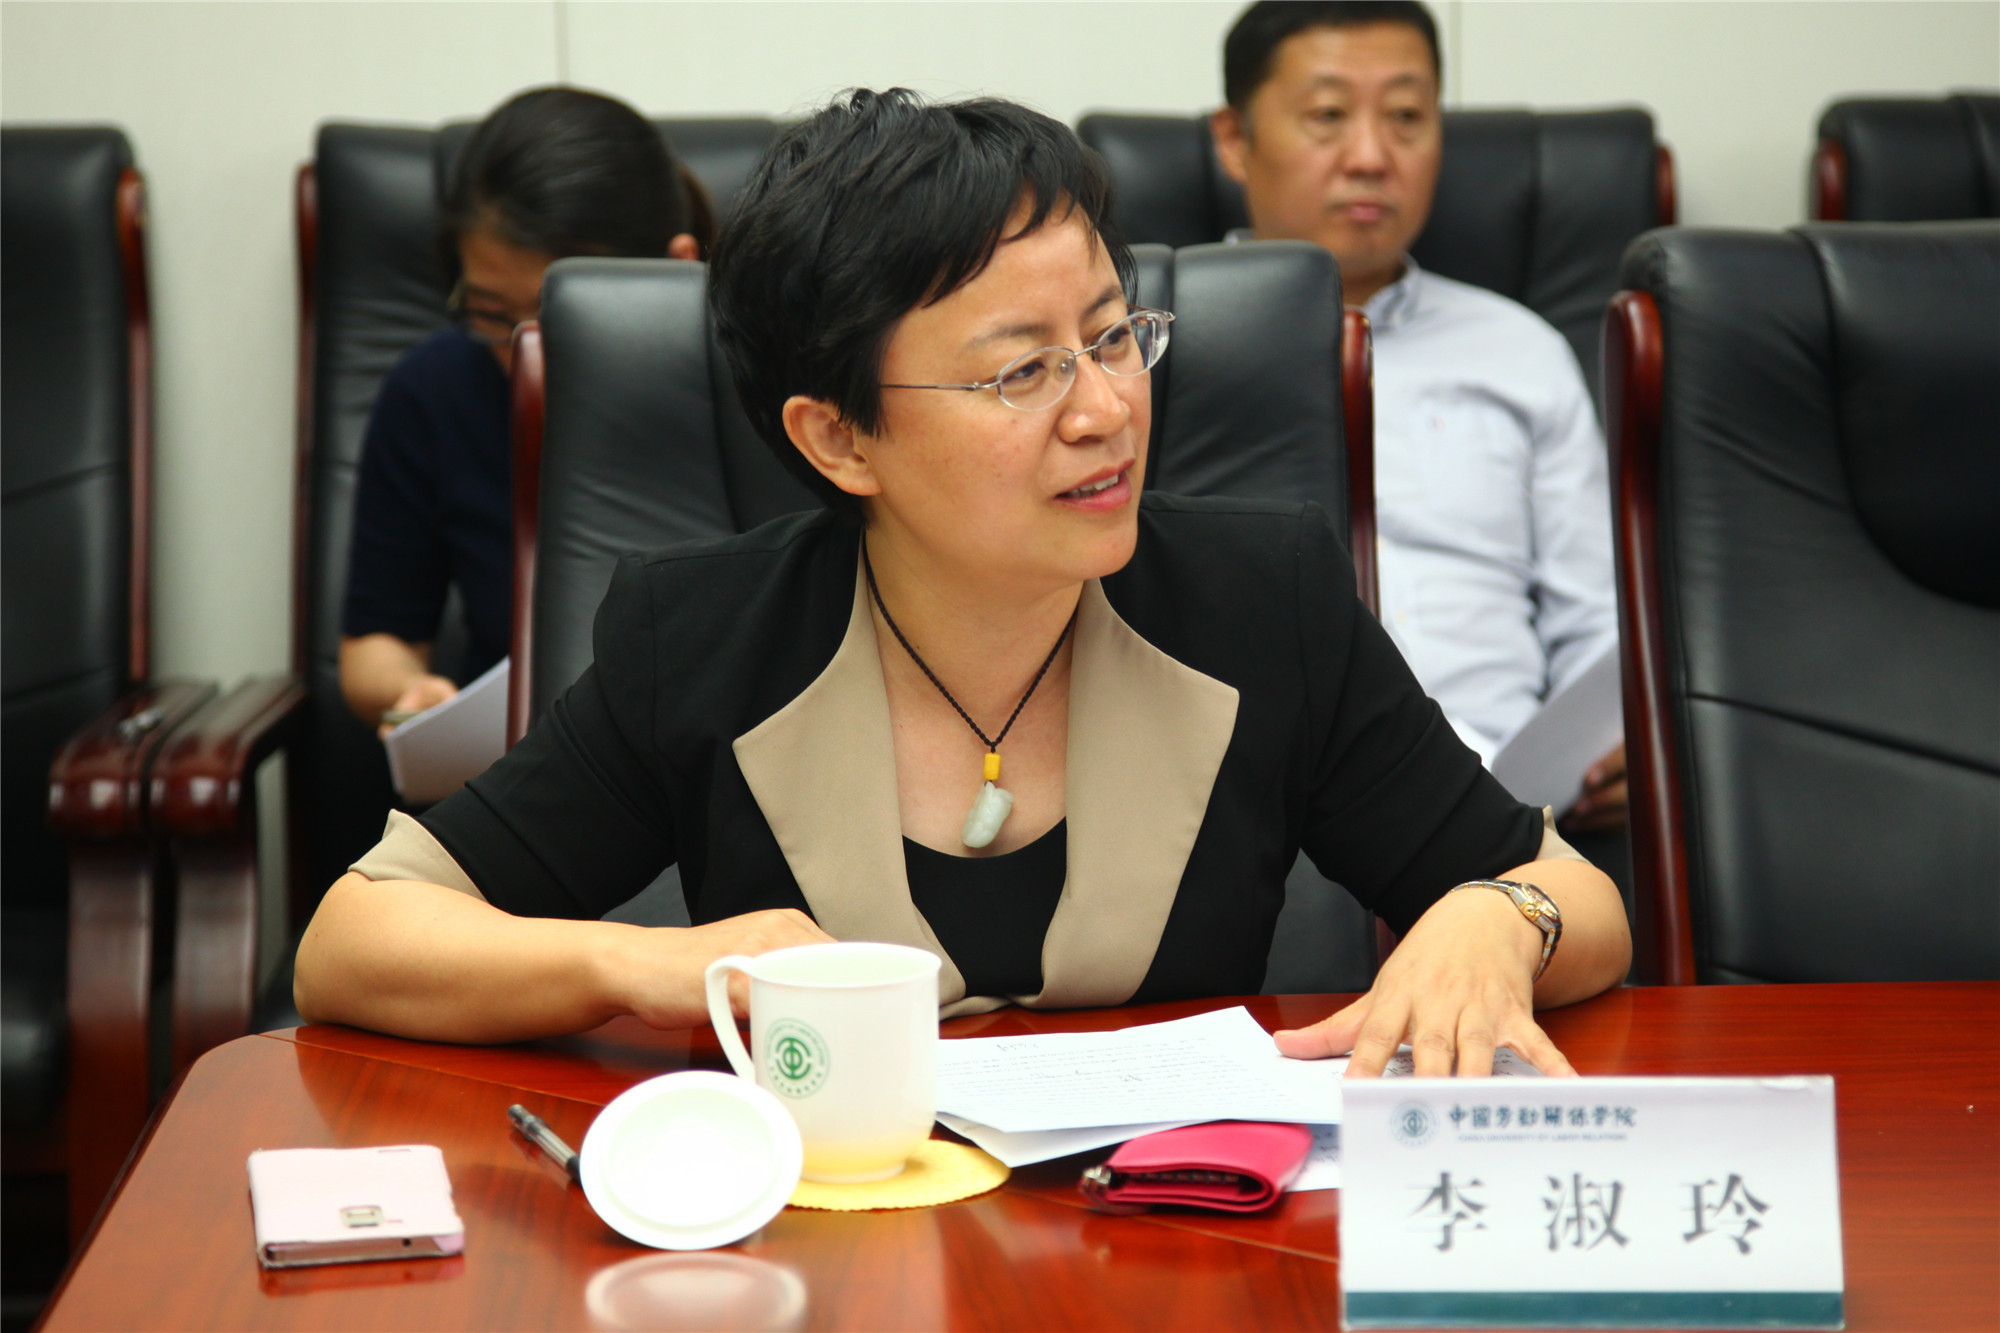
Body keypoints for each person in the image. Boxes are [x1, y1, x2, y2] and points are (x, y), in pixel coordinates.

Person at [296, 89, 1630, 1077]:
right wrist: (640, 962)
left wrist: (1496, 916)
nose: (1105, 409)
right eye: (1020, 371)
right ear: (839, 439)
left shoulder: (1259, 600)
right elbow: (356, 939)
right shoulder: (700, 637)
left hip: (1180, 1257)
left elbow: (1581, 902)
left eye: (1113, 337)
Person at [1211, 1, 1627, 833]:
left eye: (1405, 116)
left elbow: (1598, 622)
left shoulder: (1521, 350)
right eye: (1328, 115)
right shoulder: (1150, 347)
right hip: (1252, 816)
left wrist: (1617, 745)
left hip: (1519, 814)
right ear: (1234, 139)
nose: (1371, 156)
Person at [338, 86, 709, 735]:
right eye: (489, 314)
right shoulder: (433, 389)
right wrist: (409, 693)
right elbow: (376, 641)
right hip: (522, 756)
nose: (523, 354)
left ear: (677, 266)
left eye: (557, 317)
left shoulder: (764, 385)